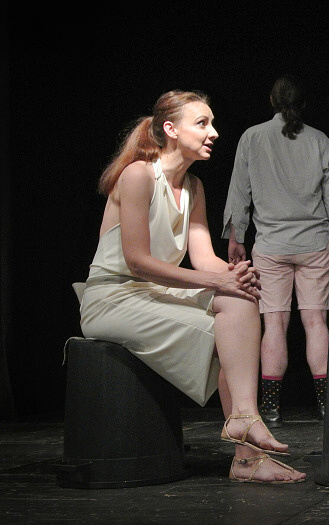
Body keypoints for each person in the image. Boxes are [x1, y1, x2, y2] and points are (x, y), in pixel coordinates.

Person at [76, 90, 306, 484]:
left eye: (211, 123)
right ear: (170, 129)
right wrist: (218, 280)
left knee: (239, 301)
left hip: (153, 292)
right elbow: (137, 261)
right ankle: (248, 450)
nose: (213, 132)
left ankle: (245, 430)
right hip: (112, 296)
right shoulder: (138, 175)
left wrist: (235, 275)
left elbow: (204, 259)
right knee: (225, 334)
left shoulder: (193, 187)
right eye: (202, 123)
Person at [222, 75, 329, 427]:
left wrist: (236, 236)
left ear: (271, 101)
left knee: (274, 325)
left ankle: (271, 409)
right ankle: (326, 406)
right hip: (314, 244)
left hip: (271, 246)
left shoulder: (252, 137)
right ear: (302, 104)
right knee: (316, 322)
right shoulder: (319, 140)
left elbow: (239, 192)